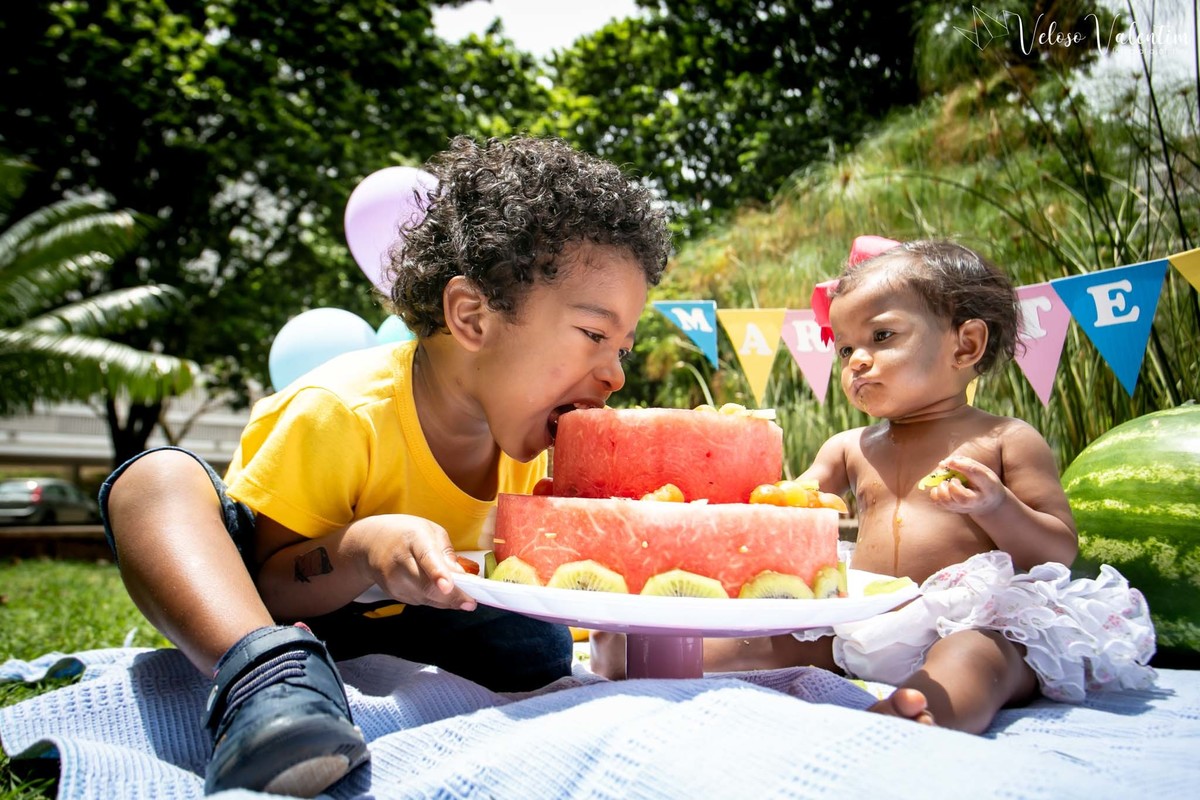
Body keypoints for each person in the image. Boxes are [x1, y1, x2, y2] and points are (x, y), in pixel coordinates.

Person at [99, 135, 672, 796]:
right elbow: (269, 586)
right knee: (155, 480)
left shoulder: (530, 450)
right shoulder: (338, 411)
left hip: (408, 626)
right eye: (595, 336)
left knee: (535, 647)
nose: (615, 375)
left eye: (623, 348)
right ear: (472, 317)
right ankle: (265, 684)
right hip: (278, 608)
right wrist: (364, 550)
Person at [592, 239, 1156, 733]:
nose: (857, 361)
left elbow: (1057, 549)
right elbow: (783, 507)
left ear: (965, 345)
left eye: (882, 336)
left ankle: (931, 709)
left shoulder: (1006, 439)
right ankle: (654, 654)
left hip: (965, 616)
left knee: (982, 657)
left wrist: (996, 506)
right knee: (773, 637)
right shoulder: (849, 446)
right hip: (864, 613)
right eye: (843, 348)